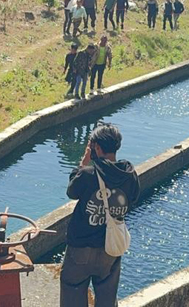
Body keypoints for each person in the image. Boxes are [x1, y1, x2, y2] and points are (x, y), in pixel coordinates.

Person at [60, 124, 140, 307]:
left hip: (81, 247)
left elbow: (72, 191)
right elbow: (134, 198)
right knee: (107, 297)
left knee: (72, 291)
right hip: (111, 247)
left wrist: (83, 163)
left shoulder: (88, 174)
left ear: (96, 147)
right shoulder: (129, 175)